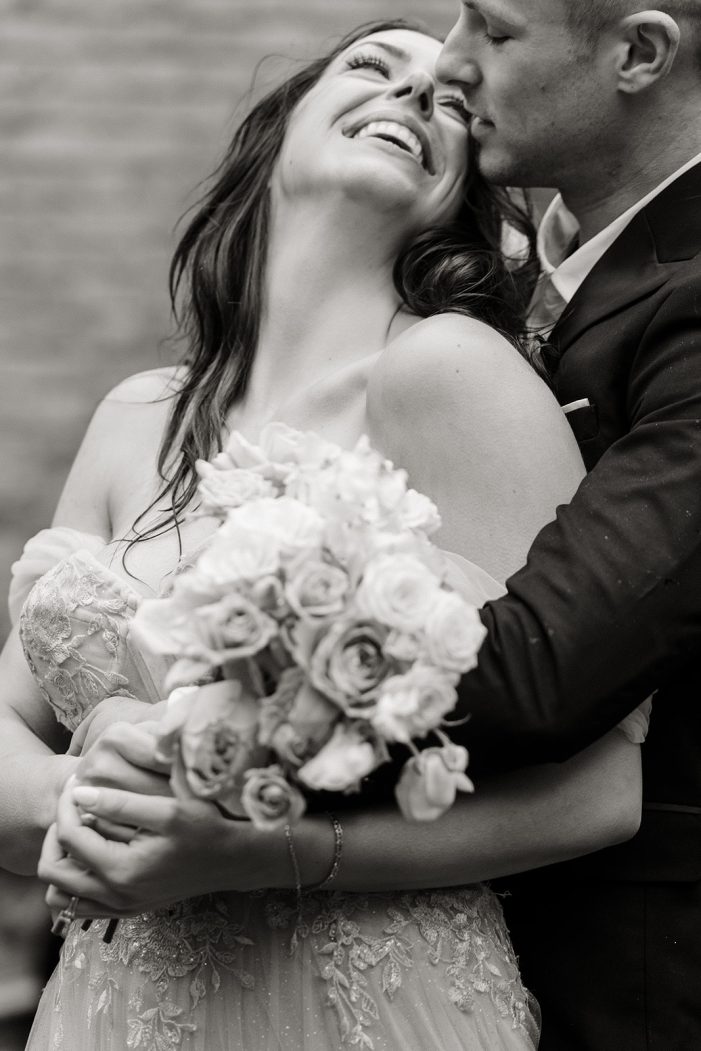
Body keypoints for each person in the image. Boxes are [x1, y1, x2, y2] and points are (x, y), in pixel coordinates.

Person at [3, 15, 646, 1051]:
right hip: (112, 1012)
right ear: (276, 136)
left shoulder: (452, 372)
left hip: (367, 1005)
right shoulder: (135, 415)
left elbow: (600, 793)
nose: (413, 95)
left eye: (449, 102)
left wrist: (266, 847)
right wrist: (74, 799)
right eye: (369, 66)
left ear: (461, 192)